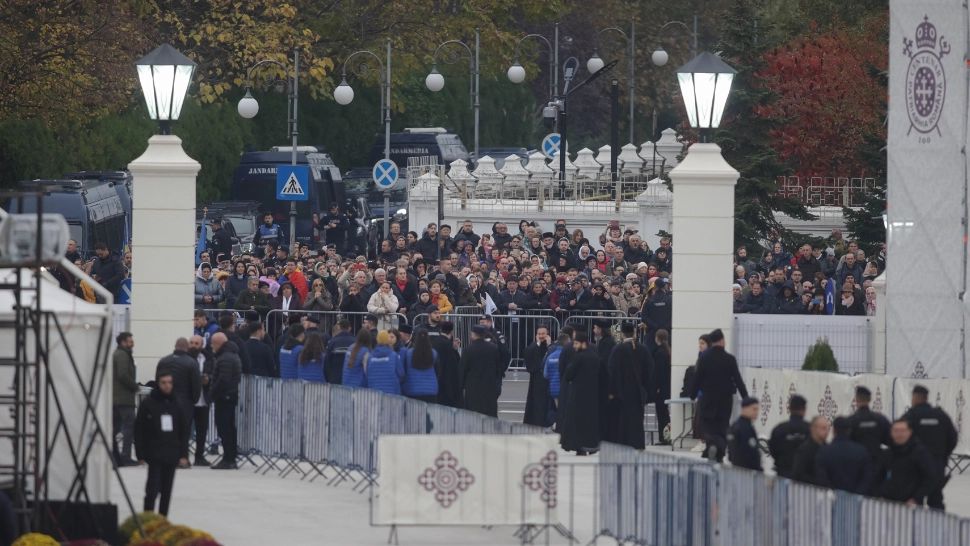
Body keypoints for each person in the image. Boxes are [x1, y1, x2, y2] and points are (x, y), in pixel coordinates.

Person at [134, 371, 188, 516]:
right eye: (163, 383)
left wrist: (184, 454)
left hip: (172, 453)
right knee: (152, 490)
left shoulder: (176, 403)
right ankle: (148, 518)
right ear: (158, 384)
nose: (167, 386)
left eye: (169, 383)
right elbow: (139, 429)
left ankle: (163, 519)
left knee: (167, 491)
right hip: (154, 453)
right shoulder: (148, 404)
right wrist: (140, 453)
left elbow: (183, 431)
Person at [689, 328, 748, 462]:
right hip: (725, 401)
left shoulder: (704, 358)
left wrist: (692, 395)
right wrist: (746, 399)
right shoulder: (729, 359)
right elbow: (738, 380)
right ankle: (719, 452)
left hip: (707, 400)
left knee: (709, 428)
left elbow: (697, 378)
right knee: (722, 427)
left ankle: (711, 448)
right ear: (722, 341)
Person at [902, 385, 958, 509]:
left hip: (915, 466)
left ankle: (916, 527)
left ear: (915, 398)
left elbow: (899, 436)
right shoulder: (941, 415)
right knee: (936, 499)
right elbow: (953, 438)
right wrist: (944, 455)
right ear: (926, 398)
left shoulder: (911, 416)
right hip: (937, 463)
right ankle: (938, 527)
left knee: (915, 500)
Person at [154, 338, 202, 468]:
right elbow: (196, 386)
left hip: (164, 402)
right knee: (183, 433)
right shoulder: (191, 363)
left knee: (165, 431)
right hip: (184, 404)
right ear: (186, 348)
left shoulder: (164, 361)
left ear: (175, 346)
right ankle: (182, 459)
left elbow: (157, 381)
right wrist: (194, 400)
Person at [606, 322, 652, 449]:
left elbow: (612, 371)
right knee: (637, 420)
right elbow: (649, 371)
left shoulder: (618, 349)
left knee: (623, 420)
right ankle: (637, 443)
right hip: (638, 391)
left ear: (622, 333)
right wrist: (645, 388)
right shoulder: (643, 349)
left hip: (622, 392)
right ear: (635, 333)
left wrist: (612, 391)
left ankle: (624, 443)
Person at [879, 419, 938, 506]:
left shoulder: (920, 453)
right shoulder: (887, 454)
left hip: (911, 505)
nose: (899, 434)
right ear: (891, 433)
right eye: (896, 431)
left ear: (910, 432)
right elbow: (877, 475)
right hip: (887, 504)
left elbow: (931, 478)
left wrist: (916, 498)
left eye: (903, 431)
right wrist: (879, 494)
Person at [560, 331, 601, 455]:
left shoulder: (578, 357)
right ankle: (591, 445)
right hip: (592, 394)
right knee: (590, 421)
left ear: (583, 343)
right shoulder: (594, 356)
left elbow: (568, 375)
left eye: (576, 343)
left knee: (576, 422)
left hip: (578, 394)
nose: (574, 346)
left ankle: (579, 446)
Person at [847, 385, 892, 490]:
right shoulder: (880, 419)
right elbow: (891, 441)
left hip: (856, 466)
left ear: (856, 399)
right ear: (870, 399)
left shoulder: (851, 420)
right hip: (876, 466)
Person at [209, 333, 242, 470]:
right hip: (228, 396)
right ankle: (229, 457)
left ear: (218, 343)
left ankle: (228, 458)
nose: (211, 346)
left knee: (225, 428)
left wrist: (212, 393)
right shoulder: (230, 355)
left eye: (212, 343)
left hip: (225, 397)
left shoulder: (225, 358)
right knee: (228, 428)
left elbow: (223, 380)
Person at [815, 416, 871, 494]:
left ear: (833, 430)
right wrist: (857, 494)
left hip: (831, 499)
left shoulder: (824, 451)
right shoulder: (861, 451)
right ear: (849, 431)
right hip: (855, 498)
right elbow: (867, 478)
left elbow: (821, 478)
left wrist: (832, 493)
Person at [460, 325, 503, 417]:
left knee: (472, 414)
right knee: (489, 413)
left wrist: (461, 386)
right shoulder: (493, 348)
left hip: (473, 388)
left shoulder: (468, 350)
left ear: (473, 334)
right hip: (489, 387)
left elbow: (462, 369)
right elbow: (498, 368)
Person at [768, 395, 810, 479]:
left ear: (789, 409)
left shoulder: (779, 429)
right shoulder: (810, 429)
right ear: (804, 410)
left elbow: (772, 449)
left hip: (783, 473)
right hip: (805, 477)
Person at [112, 332, 138, 466]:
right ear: (123, 342)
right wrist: (134, 386)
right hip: (124, 399)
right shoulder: (122, 355)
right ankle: (125, 456)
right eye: (130, 341)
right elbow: (122, 375)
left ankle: (115, 457)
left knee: (115, 429)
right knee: (128, 428)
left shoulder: (119, 354)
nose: (132, 343)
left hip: (117, 398)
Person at [187, 335, 213, 466]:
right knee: (185, 430)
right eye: (191, 343)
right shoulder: (185, 359)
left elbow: (214, 373)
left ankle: (199, 456)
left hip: (203, 399)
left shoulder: (207, 358)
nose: (193, 345)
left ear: (201, 345)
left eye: (196, 343)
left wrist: (208, 379)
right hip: (189, 400)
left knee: (202, 430)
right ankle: (183, 456)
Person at [522, 325, 552, 427]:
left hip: (548, 381)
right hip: (537, 380)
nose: (541, 336)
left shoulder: (551, 346)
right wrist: (537, 344)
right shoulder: (533, 346)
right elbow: (528, 355)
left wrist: (549, 345)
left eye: (543, 334)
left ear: (547, 334)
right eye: (539, 334)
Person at [430, 321, 463, 408]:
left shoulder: (434, 342)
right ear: (451, 332)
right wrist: (455, 350)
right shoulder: (448, 345)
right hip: (447, 384)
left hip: (436, 380)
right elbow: (455, 365)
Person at [791, 416, 831, 485]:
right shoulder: (804, 450)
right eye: (823, 428)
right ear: (813, 429)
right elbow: (798, 474)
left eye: (828, 429)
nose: (826, 432)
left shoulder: (828, 449)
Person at [401, 330, 438, 402]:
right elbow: (438, 371)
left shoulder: (409, 353)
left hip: (412, 389)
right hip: (431, 390)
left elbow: (404, 371)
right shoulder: (434, 353)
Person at [727, 397, 762, 471]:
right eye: (754, 409)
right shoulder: (745, 428)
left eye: (757, 409)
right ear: (745, 408)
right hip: (746, 472)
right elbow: (750, 453)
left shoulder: (734, 426)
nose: (756, 412)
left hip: (737, 470)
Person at [652, 329, 672, 443]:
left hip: (661, 388)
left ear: (657, 338)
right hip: (666, 387)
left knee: (661, 413)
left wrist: (656, 387)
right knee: (665, 413)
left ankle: (663, 437)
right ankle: (666, 436)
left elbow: (658, 373)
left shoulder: (659, 353)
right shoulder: (667, 351)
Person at [324, 319, 355, 384]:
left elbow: (327, 361)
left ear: (339, 327)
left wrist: (328, 378)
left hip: (335, 378)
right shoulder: (355, 341)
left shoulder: (332, 342)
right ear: (349, 328)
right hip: (350, 379)